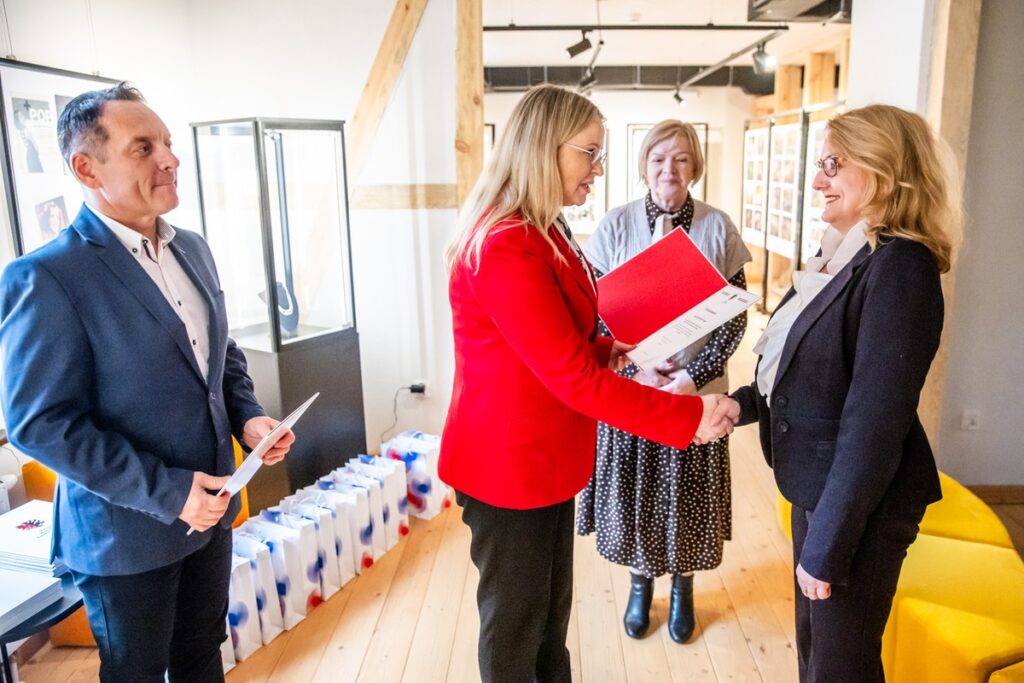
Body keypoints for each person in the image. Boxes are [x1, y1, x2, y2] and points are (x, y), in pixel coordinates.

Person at [0, 83, 295, 682]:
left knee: (202, 654)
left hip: (212, 511)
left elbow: (219, 356)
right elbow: (38, 424)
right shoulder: (48, 276)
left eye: (166, 142)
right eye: (143, 147)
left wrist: (249, 417)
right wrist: (166, 492)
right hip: (125, 534)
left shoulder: (192, 247)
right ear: (87, 168)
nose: (170, 158)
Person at [439, 84, 731, 683]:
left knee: (549, 623)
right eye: (590, 154)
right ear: (546, 149)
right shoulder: (505, 245)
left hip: (544, 463)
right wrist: (688, 417)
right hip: (508, 470)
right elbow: (570, 379)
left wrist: (609, 349)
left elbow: (553, 344)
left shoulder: (545, 228)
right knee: (517, 632)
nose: (600, 169)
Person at [712, 104, 958, 682]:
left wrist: (827, 545)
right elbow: (811, 373)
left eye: (832, 164)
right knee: (814, 651)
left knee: (840, 667)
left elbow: (873, 421)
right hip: (823, 491)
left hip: (861, 506)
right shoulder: (852, 254)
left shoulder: (901, 267)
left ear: (885, 168)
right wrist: (742, 405)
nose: (817, 180)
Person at [577, 119, 752, 643]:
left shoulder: (718, 228)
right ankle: (639, 582)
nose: (668, 169)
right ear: (643, 166)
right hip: (632, 391)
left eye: (679, 159)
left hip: (694, 395)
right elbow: (596, 312)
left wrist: (695, 376)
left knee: (687, 494)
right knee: (636, 491)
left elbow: (737, 314)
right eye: (657, 159)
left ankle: (683, 586)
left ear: (694, 166)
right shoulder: (614, 225)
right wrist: (633, 367)